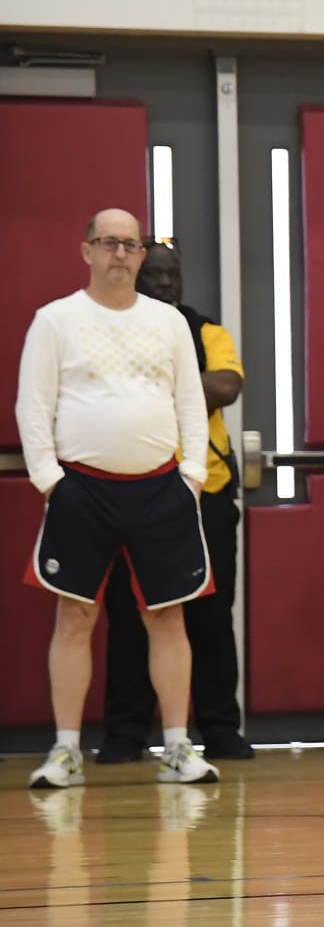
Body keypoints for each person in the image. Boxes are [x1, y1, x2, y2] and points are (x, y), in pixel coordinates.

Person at [16, 209, 221, 790]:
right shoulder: (55, 321)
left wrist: (191, 474)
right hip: (80, 488)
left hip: (163, 488)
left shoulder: (169, 323)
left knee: (168, 615)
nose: (121, 254)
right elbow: (33, 405)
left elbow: (189, 400)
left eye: (131, 245)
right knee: (74, 617)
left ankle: (179, 747)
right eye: (110, 243)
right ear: (86, 250)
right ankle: (65, 751)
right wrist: (49, 480)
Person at [99, 241, 253, 763]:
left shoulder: (206, 331)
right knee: (129, 614)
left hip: (204, 492)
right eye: (156, 273)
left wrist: (150, 389)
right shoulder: (114, 330)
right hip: (132, 490)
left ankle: (220, 729)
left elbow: (226, 386)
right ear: (137, 275)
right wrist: (185, 388)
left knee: (211, 617)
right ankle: (125, 734)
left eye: (173, 274)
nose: (165, 282)